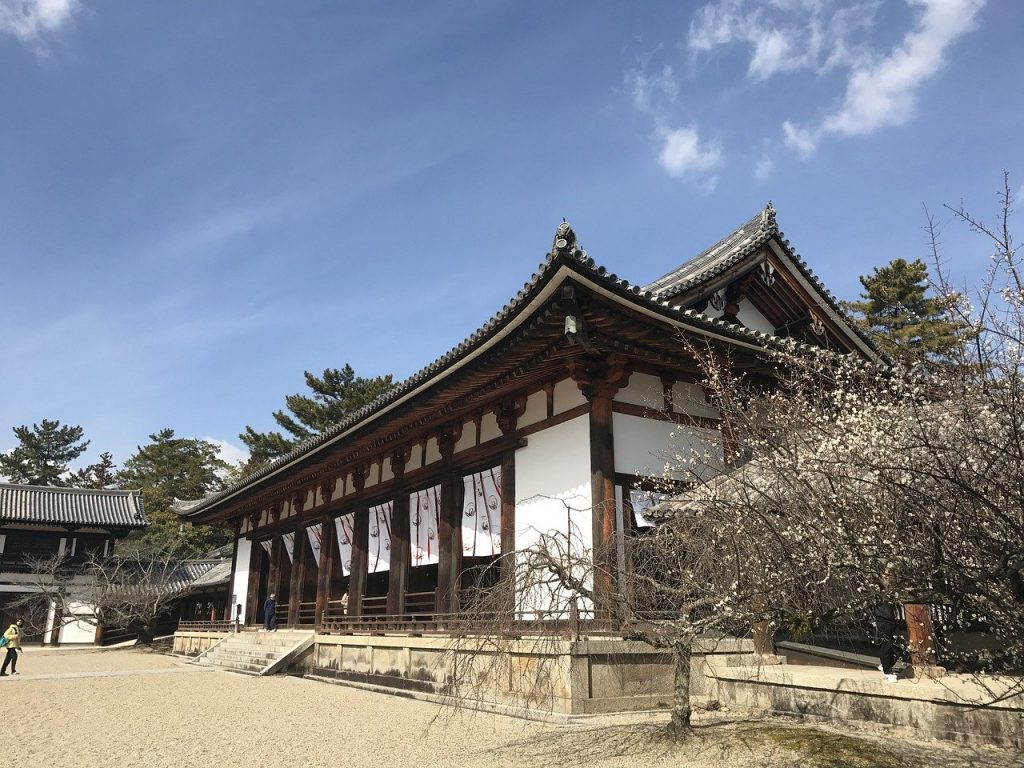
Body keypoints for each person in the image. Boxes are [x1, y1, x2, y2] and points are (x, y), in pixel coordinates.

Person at [872, 601, 904, 683]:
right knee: (886, 645)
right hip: (883, 619)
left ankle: (886, 666)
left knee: (897, 647)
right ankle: (888, 671)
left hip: (890, 619)